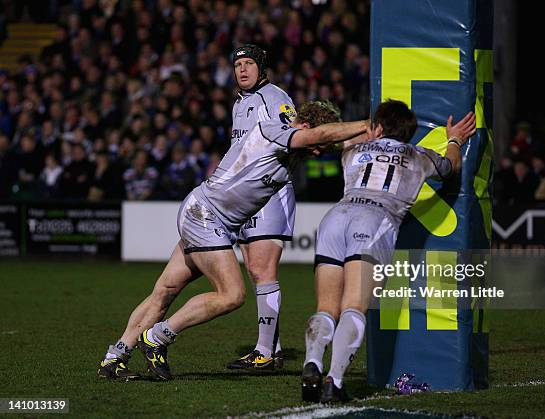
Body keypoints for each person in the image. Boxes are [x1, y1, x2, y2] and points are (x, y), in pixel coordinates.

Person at [96, 101, 368, 381]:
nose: (317, 153)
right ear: (307, 126)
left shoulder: (298, 147)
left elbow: (335, 140)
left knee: (164, 292)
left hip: (205, 214)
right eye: (317, 146)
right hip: (206, 215)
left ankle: (114, 358)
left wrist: (382, 130)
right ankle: (157, 337)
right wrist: (366, 123)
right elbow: (320, 138)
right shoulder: (275, 130)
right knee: (232, 294)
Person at [300, 99, 476, 403]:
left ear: (378, 126)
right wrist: (455, 139)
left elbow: (324, 139)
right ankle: (334, 381)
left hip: (335, 217)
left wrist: (363, 131)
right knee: (354, 305)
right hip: (375, 220)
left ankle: (312, 363)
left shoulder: (352, 149)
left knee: (326, 307)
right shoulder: (418, 155)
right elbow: (451, 167)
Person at [225, 44, 298, 370]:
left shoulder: (275, 97)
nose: (242, 69)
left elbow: (294, 135)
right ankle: (273, 348)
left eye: (248, 62)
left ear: (261, 66)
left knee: (262, 270)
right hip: (244, 196)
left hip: (270, 190)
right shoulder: (240, 104)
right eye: (238, 64)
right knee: (256, 273)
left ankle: (265, 352)